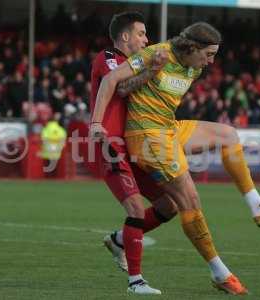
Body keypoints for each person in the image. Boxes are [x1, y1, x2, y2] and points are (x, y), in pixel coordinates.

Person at [91, 21, 260, 295]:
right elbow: (114, 82)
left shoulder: (193, 67)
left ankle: (257, 205)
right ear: (192, 47)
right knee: (189, 200)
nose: (211, 61)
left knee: (228, 135)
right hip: (147, 136)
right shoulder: (156, 53)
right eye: (208, 54)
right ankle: (220, 272)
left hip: (168, 129)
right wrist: (97, 123)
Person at [87, 11, 179, 295]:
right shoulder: (108, 58)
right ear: (125, 37)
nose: (146, 39)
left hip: (135, 146)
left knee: (169, 205)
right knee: (136, 209)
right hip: (111, 143)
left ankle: (118, 241)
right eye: (141, 34)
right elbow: (123, 87)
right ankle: (135, 282)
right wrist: (152, 69)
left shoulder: (133, 63)